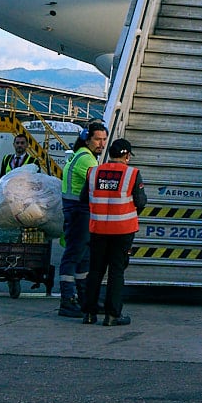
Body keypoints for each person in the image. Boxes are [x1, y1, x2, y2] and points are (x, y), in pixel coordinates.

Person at [81, 137, 147, 326]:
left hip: (98, 228)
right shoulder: (132, 174)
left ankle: (89, 314)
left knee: (95, 270)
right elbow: (141, 201)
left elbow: (84, 198)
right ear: (126, 155)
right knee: (116, 272)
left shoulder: (93, 172)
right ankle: (112, 315)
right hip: (123, 230)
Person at [56, 122, 106, 318]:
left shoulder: (83, 155)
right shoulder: (86, 159)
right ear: (87, 139)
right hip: (79, 211)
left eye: (103, 139)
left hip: (79, 210)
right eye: (97, 139)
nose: (101, 143)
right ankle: (67, 301)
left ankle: (86, 299)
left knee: (84, 257)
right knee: (73, 256)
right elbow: (101, 184)